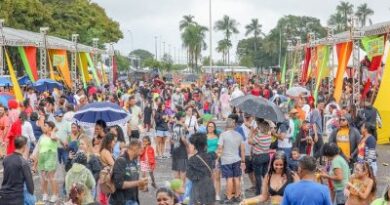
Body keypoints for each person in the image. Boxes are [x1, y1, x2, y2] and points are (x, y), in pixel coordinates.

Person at [110, 140, 148, 205]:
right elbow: (118, 184)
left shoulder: (134, 162)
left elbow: (133, 182)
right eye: (140, 150)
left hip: (133, 200)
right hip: (121, 201)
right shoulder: (121, 161)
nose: (140, 153)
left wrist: (142, 186)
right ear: (134, 148)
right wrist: (138, 182)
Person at [218, 118, 245, 203]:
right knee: (236, 178)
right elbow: (242, 149)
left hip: (226, 160)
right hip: (237, 159)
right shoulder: (239, 135)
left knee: (229, 178)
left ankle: (229, 197)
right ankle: (237, 196)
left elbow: (220, 148)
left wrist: (218, 157)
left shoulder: (223, 135)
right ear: (234, 125)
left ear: (226, 125)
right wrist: (243, 161)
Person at [0, 136, 34, 205]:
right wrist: (31, 195)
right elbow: (29, 183)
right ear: (24, 146)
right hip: (16, 197)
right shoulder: (23, 162)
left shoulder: (6, 159)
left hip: (4, 196)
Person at [32, 121, 60, 203]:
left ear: (50, 128)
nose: (44, 127)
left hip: (51, 157)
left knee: (51, 177)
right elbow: (38, 148)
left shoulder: (54, 136)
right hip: (42, 157)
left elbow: (53, 138)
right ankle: (45, 194)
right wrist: (34, 160)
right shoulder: (41, 137)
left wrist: (54, 130)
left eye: (46, 126)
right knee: (43, 177)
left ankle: (55, 195)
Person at [186, 133, 216, 205]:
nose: (189, 146)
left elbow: (190, 176)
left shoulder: (192, 160)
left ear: (195, 146)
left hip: (197, 189)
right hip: (209, 186)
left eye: (190, 144)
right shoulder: (210, 156)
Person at [248, 118, 271, 195]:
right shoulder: (269, 136)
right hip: (266, 156)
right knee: (265, 174)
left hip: (258, 157)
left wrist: (251, 133)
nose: (258, 127)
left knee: (257, 175)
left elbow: (250, 141)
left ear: (262, 128)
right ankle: (266, 190)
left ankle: (259, 192)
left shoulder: (259, 136)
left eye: (259, 127)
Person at [171, 112, 188, 187]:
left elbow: (170, 140)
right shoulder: (182, 128)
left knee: (176, 172)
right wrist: (188, 145)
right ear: (181, 118)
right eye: (184, 117)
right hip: (182, 150)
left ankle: (176, 192)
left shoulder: (174, 127)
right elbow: (183, 139)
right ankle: (182, 190)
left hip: (175, 150)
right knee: (183, 172)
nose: (185, 118)